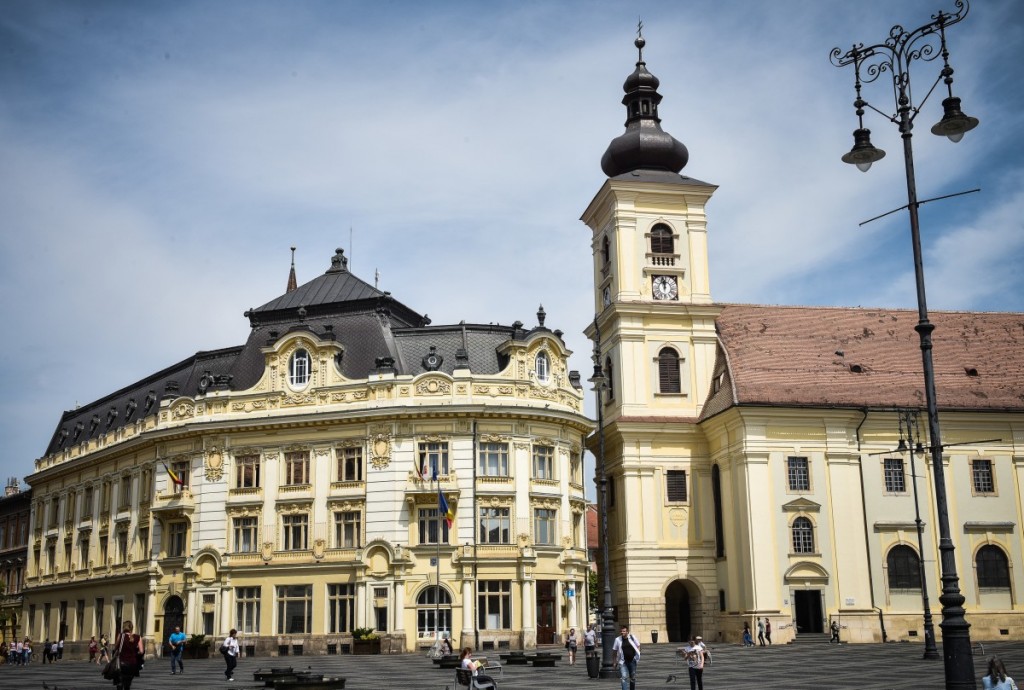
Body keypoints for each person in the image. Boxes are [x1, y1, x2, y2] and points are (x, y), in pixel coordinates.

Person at [115, 620, 144, 690]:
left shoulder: (121, 635)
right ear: (132, 628)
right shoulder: (138, 637)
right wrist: (135, 653)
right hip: (132, 663)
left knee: (120, 683)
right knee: (127, 685)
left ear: (123, 627)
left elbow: (115, 647)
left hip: (121, 663)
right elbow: (141, 651)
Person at [612, 625, 640, 690]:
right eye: (621, 631)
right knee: (624, 678)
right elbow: (614, 651)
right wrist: (614, 661)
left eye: (624, 631)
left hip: (632, 661)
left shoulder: (632, 637)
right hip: (623, 662)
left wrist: (636, 656)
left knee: (632, 677)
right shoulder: (617, 640)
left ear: (627, 632)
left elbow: (638, 645)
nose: (622, 632)